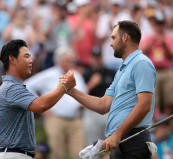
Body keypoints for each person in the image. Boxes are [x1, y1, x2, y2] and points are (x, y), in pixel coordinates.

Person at [64, 20, 157, 159]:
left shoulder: (141, 63)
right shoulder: (121, 70)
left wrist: (118, 134)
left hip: (133, 140)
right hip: (120, 141)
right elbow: (103, 105)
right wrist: (71, 91)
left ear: (125, 38)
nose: (111, 43)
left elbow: (144, 105)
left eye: (113, 38)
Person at [0, 39, 76, 159]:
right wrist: (63, 86)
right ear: (12, 59)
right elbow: (41, 105)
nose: (31, 61)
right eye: (26, 56)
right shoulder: (11, 87)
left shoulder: (13, 87)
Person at [25, 46, 87, 159]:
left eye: (72, 60)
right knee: (57, 153)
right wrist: (39, 106)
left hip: (76, 119)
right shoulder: (48, 74)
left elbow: (84, 93)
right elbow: (27, 86)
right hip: (55, 118)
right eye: (69, 60)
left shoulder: (76, 75)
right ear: (60, 60)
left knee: (79, 153)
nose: (72, 63)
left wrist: (81, 105)